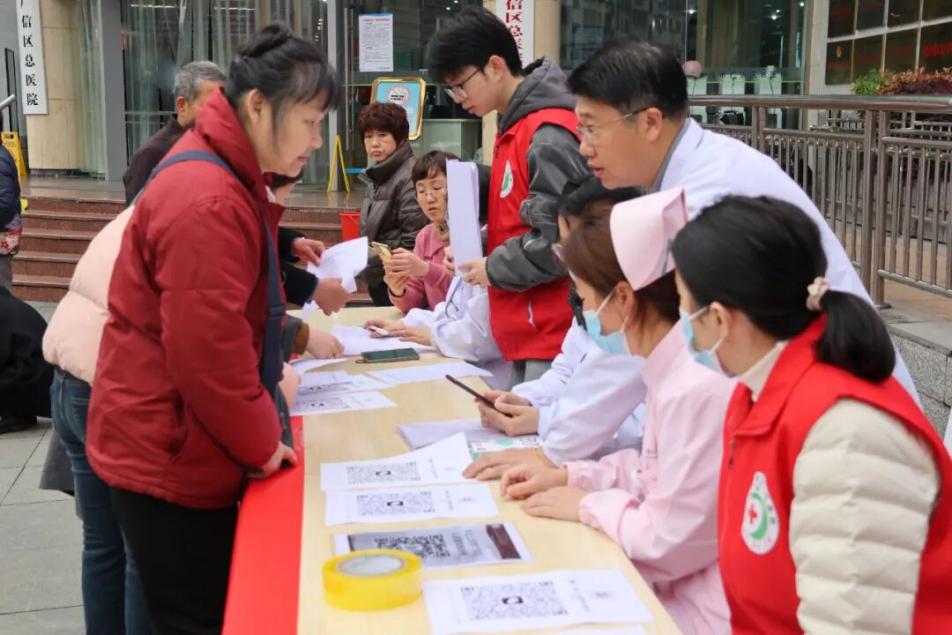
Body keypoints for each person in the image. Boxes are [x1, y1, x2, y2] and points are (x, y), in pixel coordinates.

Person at [86, 24, 338, 633]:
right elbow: (209, 355)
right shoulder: (208, 196)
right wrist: (260, 441)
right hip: (169, 449)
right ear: (259, 107)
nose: (316, 141)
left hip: (174, 438)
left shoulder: (224, 175)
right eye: (309, 122)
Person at [565, 39, 918, 399]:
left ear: (650, 122)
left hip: (839, 401)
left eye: (592, 128)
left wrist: (557, 427)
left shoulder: (706, 198)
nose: (583, 147)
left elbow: (643, 332)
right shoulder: (699, 170)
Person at [671, 195, 952, 634]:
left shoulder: (846, 434)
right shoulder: (761, 390)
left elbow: (853, 622)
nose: (683, 325)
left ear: (721, 318)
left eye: (686, 310)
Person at [501, 188, 732, 634]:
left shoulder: (696, 386)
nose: (587, 315)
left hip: (699, 611)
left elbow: (670, 541)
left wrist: (590, 504)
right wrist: (574, 476)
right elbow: (653, 471)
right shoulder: (668, 370)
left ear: (624, 298)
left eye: (587, 299)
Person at [426, 7, 591, 384]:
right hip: (526, 330)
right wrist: (477, 250)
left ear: (496, 66)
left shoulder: (546, 134)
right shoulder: (514, 127)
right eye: (451, 89)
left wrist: (493, 267)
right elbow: (519, 220)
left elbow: (560, 241)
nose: (457, 98)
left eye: (461, 85)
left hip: (554, 334)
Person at [463, 179, 647, 480]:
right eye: (563, 248)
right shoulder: (592, 300)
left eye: (575, 247)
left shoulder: (639, 319)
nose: (569, 263)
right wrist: (525, 400)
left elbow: (636, 426)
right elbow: (566, 373)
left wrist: (543, 421)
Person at [123, 61, 340, 311]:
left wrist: (290, 243)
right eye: (212, 105)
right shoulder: (160, 156)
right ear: (182, 105)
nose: (225, 115)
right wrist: (310, 290)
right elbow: (213, 254)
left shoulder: (216, 153)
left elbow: (237, 226)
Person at [364, 245, 511, 389]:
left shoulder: (490, 268)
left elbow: (480, 339)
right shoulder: (466, 262)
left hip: (491, 381)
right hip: (465, 372)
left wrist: (433, 335)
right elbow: (450, 313)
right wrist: (404, 325)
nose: (447, 251)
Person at [357, 102, 427, 306]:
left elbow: (414, 241)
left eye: (382, 135)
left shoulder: (409, 176)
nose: (374, 143)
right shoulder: (380, 173)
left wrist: (368, 261)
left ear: (400, 137)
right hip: (382, 277)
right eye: (368, 136)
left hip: (400, 283)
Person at [385, 150, 455, 312]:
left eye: (436, 187)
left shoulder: (476, 232)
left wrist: (426, 269)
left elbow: (467, 288)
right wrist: (398, 290)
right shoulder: (425, 236)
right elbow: (415, 299)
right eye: (422, 191)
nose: (429, 198)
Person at [0, 286, 52, 433]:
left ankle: (12, 417)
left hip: (33, 380)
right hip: (45, 381)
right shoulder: (8, 303)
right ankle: (21, 413)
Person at [0, 143, 21, 291]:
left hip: (4, 229)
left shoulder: (1, 161)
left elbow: (5, 204)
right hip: (6, 227)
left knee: (1, 283)